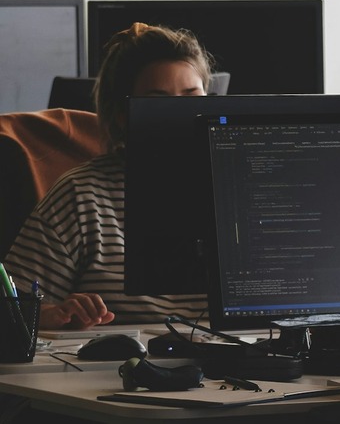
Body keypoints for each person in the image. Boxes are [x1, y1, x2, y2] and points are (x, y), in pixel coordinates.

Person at [2, 22, 212, 329]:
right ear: (120, 115)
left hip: (246, 363)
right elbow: (9, 311)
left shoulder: (241, 185)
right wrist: (49, 314)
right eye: (157, 102)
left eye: (192, 98)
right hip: (123, 370)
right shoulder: (82, 195)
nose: (179, 115)